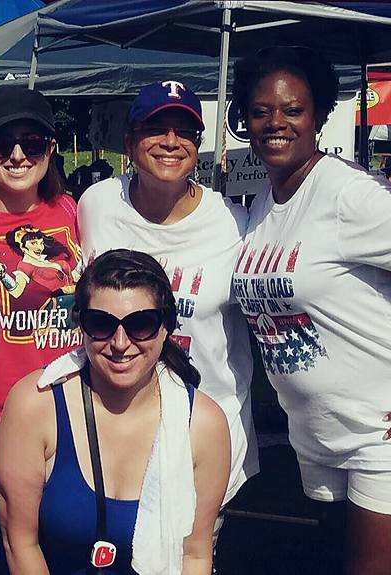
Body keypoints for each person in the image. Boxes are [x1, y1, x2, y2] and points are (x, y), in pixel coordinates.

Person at [231, 47, 391, 575]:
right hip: (320, 433)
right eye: (260, 111)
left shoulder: (350, 193)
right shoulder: (263, 202)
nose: (275, 123)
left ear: (319, 117)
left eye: (293, 110)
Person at [77, 80, 259, 534]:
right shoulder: (96, 205)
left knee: (188, 555)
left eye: (185, 131)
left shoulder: (234, 224)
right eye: (156, 128)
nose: (171, 142)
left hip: (202, 431)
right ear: (130, 141)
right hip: (110, 424)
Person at [0, 248, 230, 574]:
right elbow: (18, 542)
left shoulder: (203, 425)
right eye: (100, 323)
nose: (120, 342)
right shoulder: (35, 405)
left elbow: (195, 555)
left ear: (165, 327)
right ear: (81, 326)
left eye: (140, 324)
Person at [0, 85, 80, 575]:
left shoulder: (77, 212)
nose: (17, 155)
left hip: (69, 415)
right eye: (2, 144)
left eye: (31, 141)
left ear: (51, 148)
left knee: (64, 552)